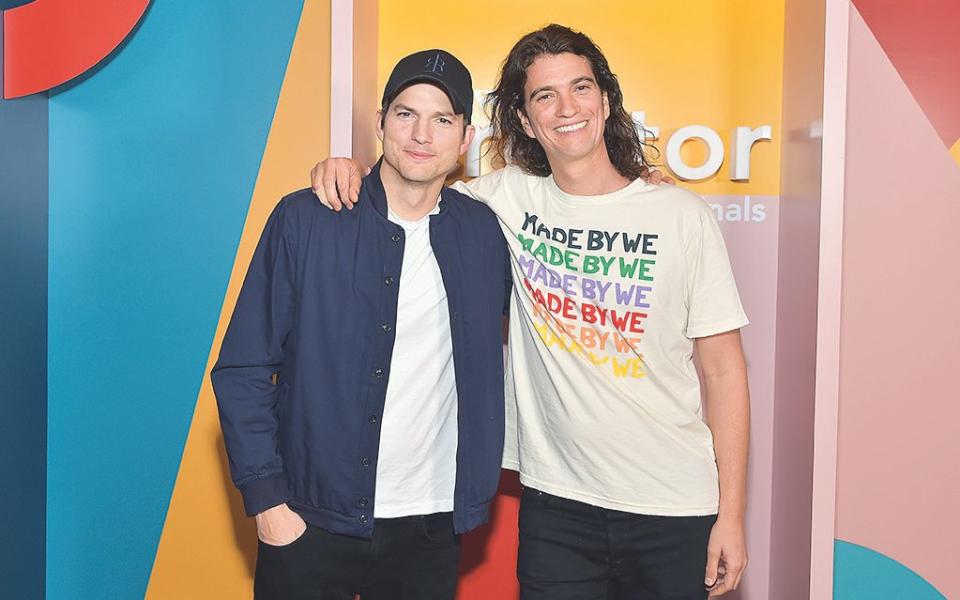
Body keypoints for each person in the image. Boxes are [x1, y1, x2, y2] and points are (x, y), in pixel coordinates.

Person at [311, 24, 750, 599]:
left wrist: (732, 514)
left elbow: (724, 372)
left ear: (606, 100)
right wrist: (347, 167)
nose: (566, 108)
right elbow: (413, 175)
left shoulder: (680, 215)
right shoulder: (504, 199)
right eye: (545, 95)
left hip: (673, 504)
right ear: (523, 119)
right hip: (556, 508)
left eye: (581, 88)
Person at [212, 49, 511, 600]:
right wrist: (269, 504)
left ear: (465, 139)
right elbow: (243, 369)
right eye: (405, 114)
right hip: (307, 520)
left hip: (430, 526)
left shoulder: (486, 234)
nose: (422, 134)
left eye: (443, 119)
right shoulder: (306, 219)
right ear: (379, 124)